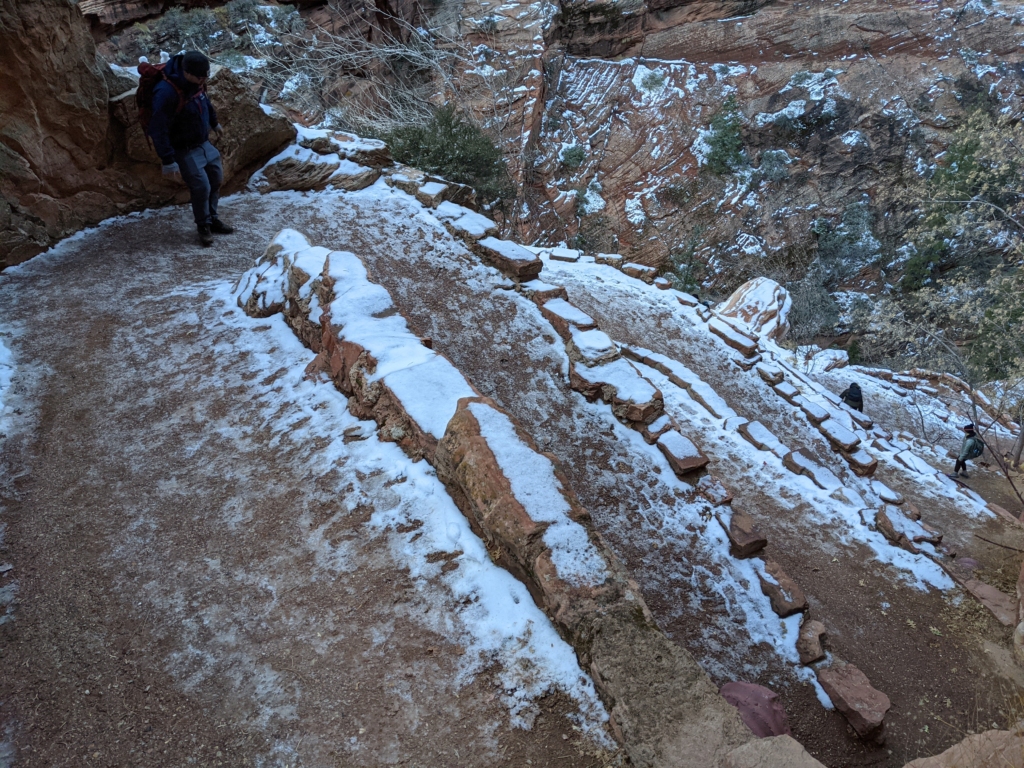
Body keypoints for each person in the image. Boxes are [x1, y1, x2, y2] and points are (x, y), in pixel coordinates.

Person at [147, 51, 233, 247]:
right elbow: (157, 128)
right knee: (201, 187)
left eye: (206, 76)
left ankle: (212, 218)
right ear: (186, 72)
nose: (203, 81)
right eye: (200, 77)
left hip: (203, 142)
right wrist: (168, 160)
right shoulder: (166, 92)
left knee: (216, 179)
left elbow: (205, 101)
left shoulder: (197, 84)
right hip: (184, 148)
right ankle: (203, 225)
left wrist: (214, 122)